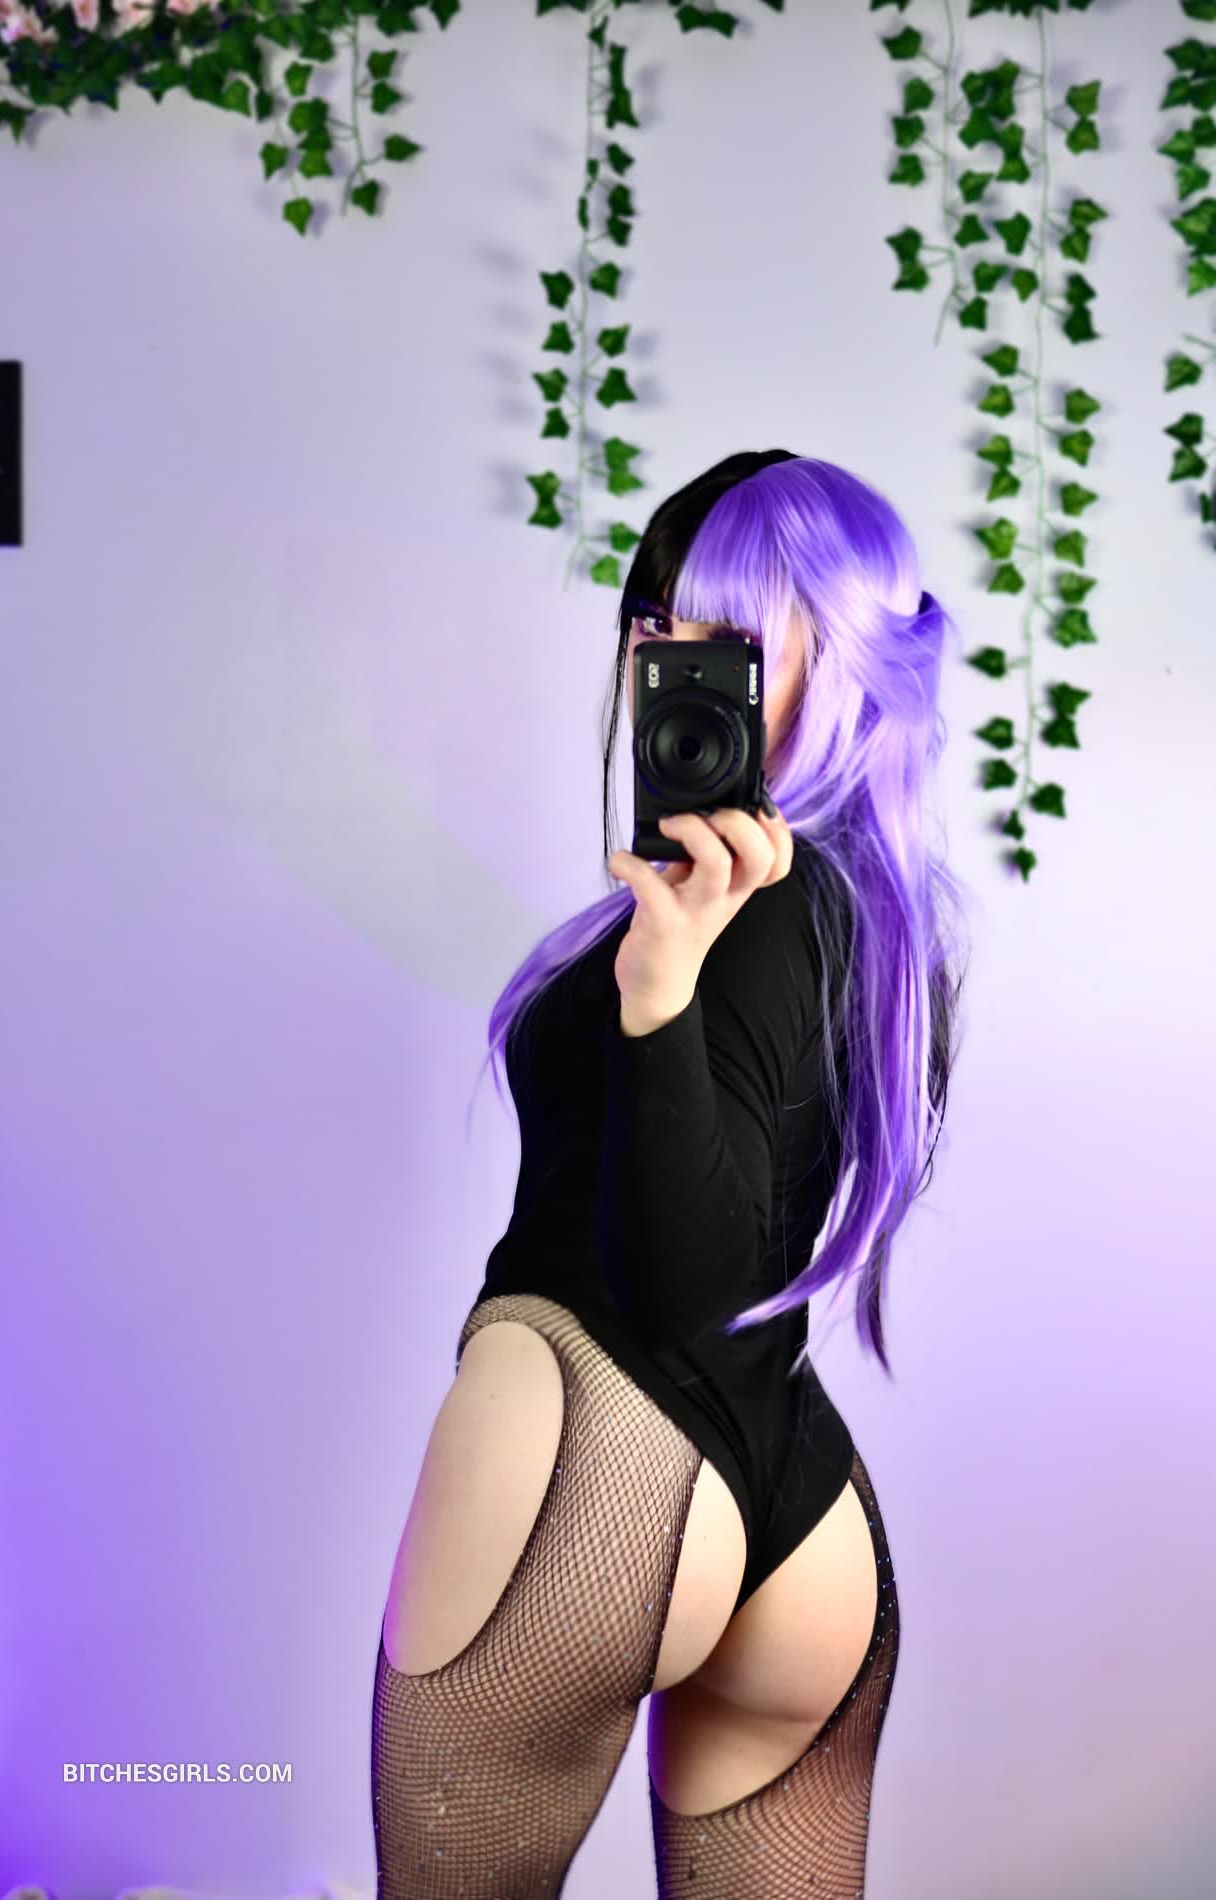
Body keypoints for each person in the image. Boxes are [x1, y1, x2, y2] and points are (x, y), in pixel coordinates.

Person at [370, 450, 969, 1898]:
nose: (666, 653)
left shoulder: (734, 921)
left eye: (726, 628)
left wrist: (654, 990)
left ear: (841, 649)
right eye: (653, 614)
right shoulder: (878, 912)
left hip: (590, 1459)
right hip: (803, 1524)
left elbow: (681, 1283)